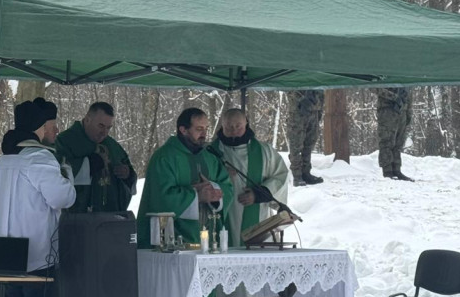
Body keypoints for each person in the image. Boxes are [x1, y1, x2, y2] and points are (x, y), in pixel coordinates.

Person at [0, 97, 75, 297]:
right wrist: (68, 176)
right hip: (36, 248)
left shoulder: (5, 160)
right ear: (41, 127)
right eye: (53, 125)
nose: (56, 130)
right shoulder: (39, 158)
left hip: (5, 247)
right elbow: (62, 197)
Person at [136, 107, 233, 248]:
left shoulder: (210, 157)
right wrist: (197, 196)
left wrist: (214, 191)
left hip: (208, 235)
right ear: (183, 130)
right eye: (199, 129)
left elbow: (227, 187)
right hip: (174, 238)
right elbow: (161, 198)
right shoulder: (165, 157)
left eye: (206, 129)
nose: (204, 134)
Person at [208, 108, 289, 247]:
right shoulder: (210, 152)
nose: (233, 130)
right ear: (222, 125)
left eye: (238, 126)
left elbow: (280, 176)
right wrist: (219, 174)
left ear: (246, 123)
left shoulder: (264, 151)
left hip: (257, 218)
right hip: (220, 217)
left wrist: (258, 194)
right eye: (229, 127)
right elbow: (198, 180)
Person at [54, 101, 136, 213]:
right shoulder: (65, 141)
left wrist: (127, 174)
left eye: (108, 128)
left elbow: (129, 175)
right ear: (87, 119)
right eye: (101, 126)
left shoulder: (112, 145)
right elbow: (56, 176)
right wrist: (88, 165)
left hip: (110, 216)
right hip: (78, 217)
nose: (104, 133)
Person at [287, 90, 324, 185]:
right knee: (296, 144)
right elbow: (289, 88)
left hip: (314, 109)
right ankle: (297, 175)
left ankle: (306, 173)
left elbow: (320, 90)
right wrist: (301, 98)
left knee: (309, 142)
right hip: (298, 111)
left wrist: (320, 108)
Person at [378, 88, 414, 181]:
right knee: (387, 141)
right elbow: (376, 88)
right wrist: (393, 97)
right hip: (387, 110)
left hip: (402, 110)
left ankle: (396, 169)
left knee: (399, 142)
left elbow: (408, 92)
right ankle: (387, 171)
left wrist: (409, 111)